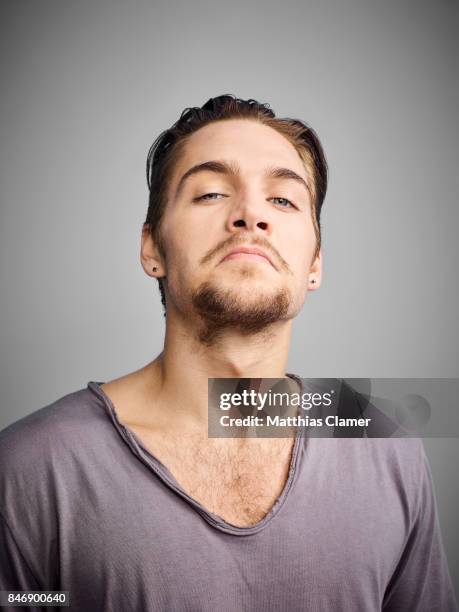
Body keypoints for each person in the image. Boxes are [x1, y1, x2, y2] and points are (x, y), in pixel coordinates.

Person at [0, 95, 456, 611]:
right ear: (152, 249)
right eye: (212, 193)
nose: (250, 215)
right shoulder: (29, 470)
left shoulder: (385, 447)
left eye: (283, 200)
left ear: (315, 264)